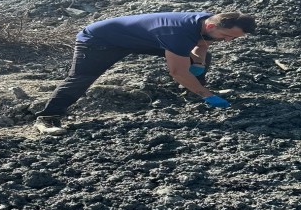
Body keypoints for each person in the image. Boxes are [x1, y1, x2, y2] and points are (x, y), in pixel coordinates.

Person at [33, 11, 256, 135]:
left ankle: (193, 92)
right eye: (227, 36)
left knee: (199, 59)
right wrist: (207, 94)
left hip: (139, 39)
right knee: (81, 79)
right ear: (212, 26)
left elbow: (202, 44)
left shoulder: (208, 22)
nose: (228, 41)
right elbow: (177, 71)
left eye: (233, 39)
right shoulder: (178, 32)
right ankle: (47, 118)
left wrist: (196, 61)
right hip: (98, 42)